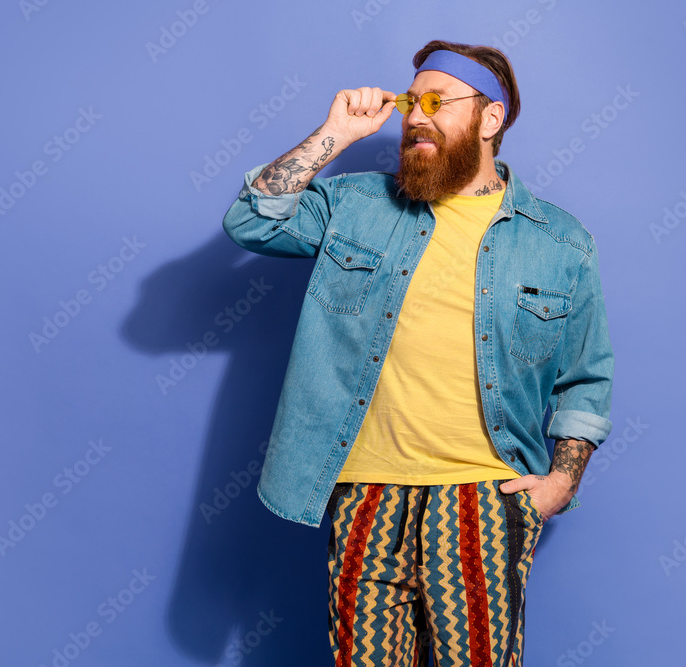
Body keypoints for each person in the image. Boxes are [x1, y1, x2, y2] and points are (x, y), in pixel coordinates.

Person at [222, 39, 614, 667]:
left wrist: (561, 482)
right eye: (410, 101)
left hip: (482, 500)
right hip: (367, 494)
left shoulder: (561, 243)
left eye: (437, 101)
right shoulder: (355, 205)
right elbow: (254, 221)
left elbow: (586, 380)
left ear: (491, 120)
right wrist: (335, 133)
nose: (416, 116)